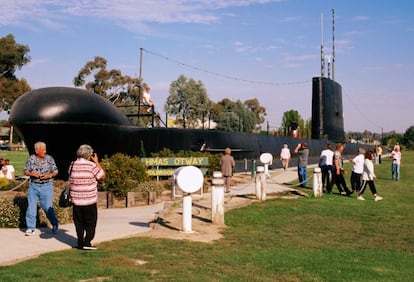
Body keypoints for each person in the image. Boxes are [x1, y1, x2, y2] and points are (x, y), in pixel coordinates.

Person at [69, 144, 105, 250]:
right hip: (89, 200)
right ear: (89, 155)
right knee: (91, 223)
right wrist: (96, 162)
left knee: (79, 223)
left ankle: (80, 242)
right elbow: (102, 176)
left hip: (76, 200)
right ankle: (87, 242)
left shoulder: (72, 165)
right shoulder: (91, 166)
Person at [23, 141, 59, 236]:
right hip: (34, 186)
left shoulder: (49, 159)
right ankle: (30, 228)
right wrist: (32, 174)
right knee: (31, 207)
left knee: (47, 207)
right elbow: (25, 171)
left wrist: (49, 175)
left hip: (46, 186)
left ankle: (54, 224)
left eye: (45, 149)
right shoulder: (31, 159)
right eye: (43, 150)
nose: (45, 151)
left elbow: (55, 171)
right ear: (37, 151)